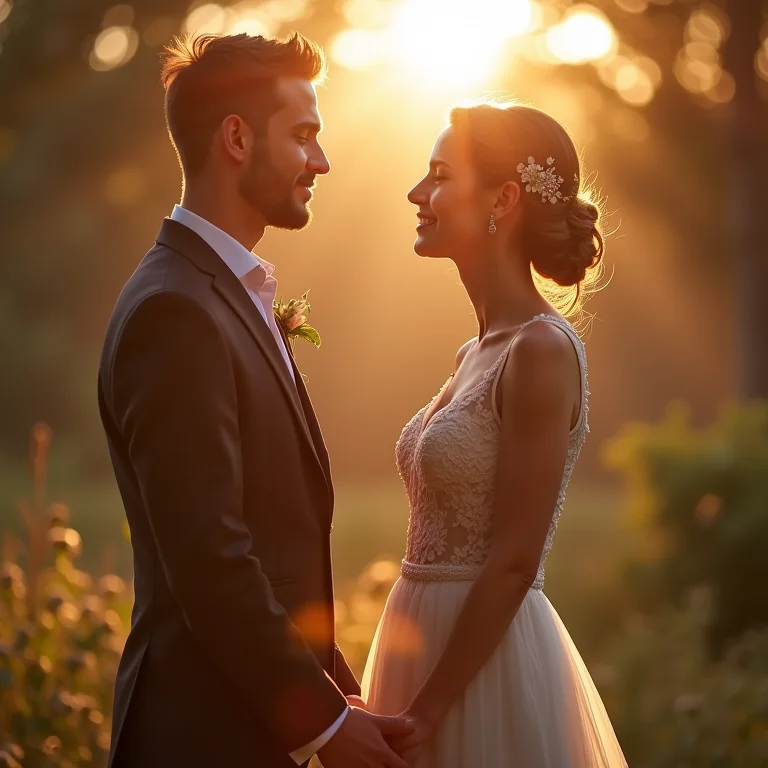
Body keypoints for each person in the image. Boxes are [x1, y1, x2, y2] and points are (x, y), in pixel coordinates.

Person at [98, 32, 412, 768]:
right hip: (198, 737)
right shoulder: (173, 312)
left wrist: (337, 695)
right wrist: (326, 728)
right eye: (304, 135)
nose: (322, 161)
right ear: (236, 138)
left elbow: (275, 544)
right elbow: (210, 558)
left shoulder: (222, 296)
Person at [361, 102, 628, 767]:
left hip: (480, 672)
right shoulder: (471, 353)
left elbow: (513, 561)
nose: (417, 193)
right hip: (414, 642)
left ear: (503, 198)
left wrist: (427, 711)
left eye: (440, 175)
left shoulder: (540, 351)